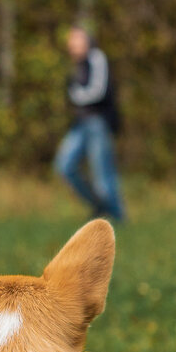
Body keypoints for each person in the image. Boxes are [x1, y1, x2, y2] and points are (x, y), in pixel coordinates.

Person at [54, 26, 125, 221]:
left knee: (102, 174)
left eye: (76, 40)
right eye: (70, 42)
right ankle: (101, 207)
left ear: (86, 40)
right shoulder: (77, 64)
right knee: (64, 166)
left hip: (97, 123)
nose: (72, 45)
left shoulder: (97, 58)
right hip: (80, 123)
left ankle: (118, 217)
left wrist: (75, 95)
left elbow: (98, 91)